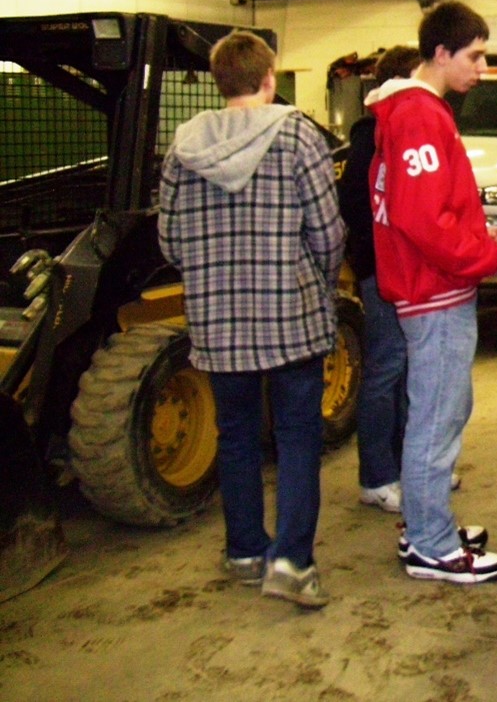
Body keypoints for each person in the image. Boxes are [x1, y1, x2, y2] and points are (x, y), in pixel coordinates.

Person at [158, 30, 344, 610]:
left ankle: (243, 550)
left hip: (218, 322)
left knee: (234, 436)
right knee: (295, 438)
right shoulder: (295, 135)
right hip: (290, 317)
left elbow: (167, 241)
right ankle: (291, 562)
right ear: (269, 80)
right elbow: (327, 231)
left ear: (220, 82)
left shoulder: (183, 146)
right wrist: (313, 275)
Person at [368, 0, 497, 584]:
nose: (481, 69)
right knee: (436, 416)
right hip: (435, 293)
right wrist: (486, 256)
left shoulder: (415, 113)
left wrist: (478, 233)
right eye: (474, 56)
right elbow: (422, 219)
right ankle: (430, 544)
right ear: (441, 53)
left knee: (438, 410)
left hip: (432, 286)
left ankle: (427, 523)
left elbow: (434, 208)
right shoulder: (420, 116)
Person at [337, 45, 421, 514]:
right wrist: (374, 254)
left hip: (407, 270)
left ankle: (409, 466)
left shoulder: (402, 129)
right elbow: (355, 203)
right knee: (386, 367)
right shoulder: (373, 134)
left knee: (408, 368)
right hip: (383, 270)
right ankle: (376, 475)